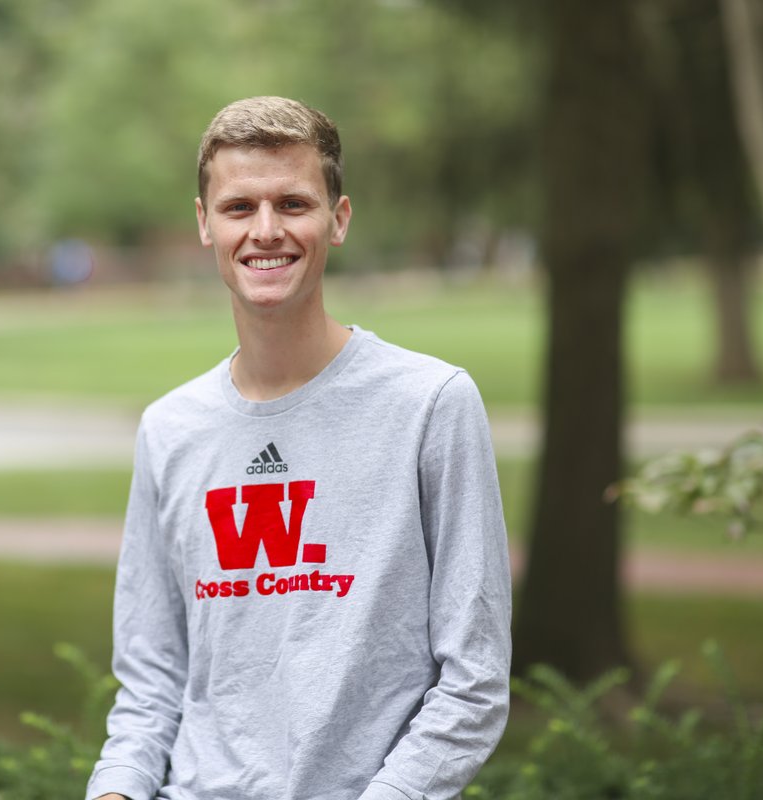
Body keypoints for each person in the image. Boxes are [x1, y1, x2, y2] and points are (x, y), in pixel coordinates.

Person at [86, 96, 511, 800]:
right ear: (204, 224)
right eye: (238, 207)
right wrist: (116, 791)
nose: (265, 231)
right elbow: (151, 683)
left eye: (292, 203)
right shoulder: (171, 429)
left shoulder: (431, 405)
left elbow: (474, 681)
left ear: (338, 219)